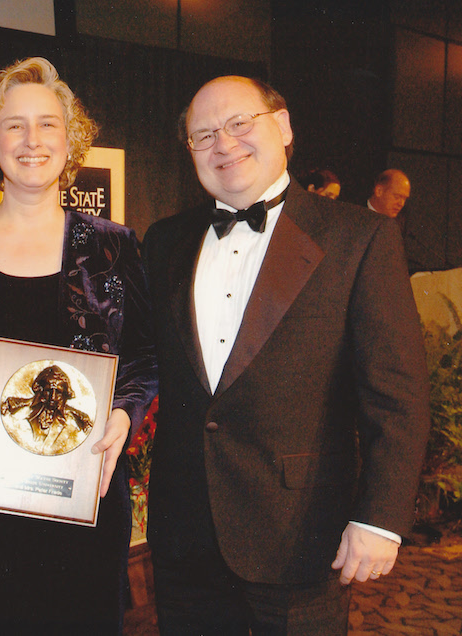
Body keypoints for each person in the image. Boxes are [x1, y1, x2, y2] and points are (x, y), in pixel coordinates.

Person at [142, 75, 430, 635]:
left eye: (238, 124)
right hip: (185, 538)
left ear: (283, 126)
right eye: (203, 136)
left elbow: (396, 395)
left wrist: (380, 518)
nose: (223, 144)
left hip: (300, 538)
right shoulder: (163, 241)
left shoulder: (359, 238)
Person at [0, 57, 157, 634]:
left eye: (48, 124)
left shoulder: (116, 246)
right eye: (14, 125)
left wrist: (125, 415)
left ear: (71, 138)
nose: (32, 140)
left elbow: (142, 357)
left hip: (83, 494)